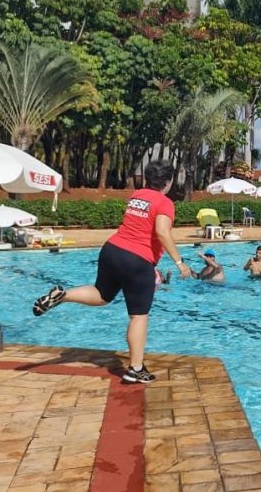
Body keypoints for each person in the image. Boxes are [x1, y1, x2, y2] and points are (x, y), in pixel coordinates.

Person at [32, 160, 193, 384]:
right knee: (138, 316)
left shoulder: (137, 196)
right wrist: (179, 262)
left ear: (147, 178)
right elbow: (162, 232)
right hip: (137, 260)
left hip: (112, 250)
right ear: (168, 182)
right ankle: (135, 368)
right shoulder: (164, 202)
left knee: (102, 294)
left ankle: (64, 295)